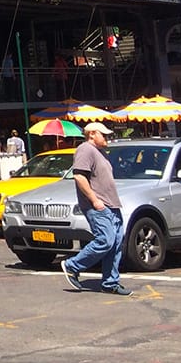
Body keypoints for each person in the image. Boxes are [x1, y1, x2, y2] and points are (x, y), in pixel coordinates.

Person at [61, 122, 129, 295]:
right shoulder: (85, 149)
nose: (107, 137)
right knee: (105, 240)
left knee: (114, 244)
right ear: (92, 134)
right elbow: (79, 176)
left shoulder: (100, 152)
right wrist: (95, 200)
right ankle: (72, 266)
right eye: (103, 134)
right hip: (99, 205)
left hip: (112, 205)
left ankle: (110, 283)